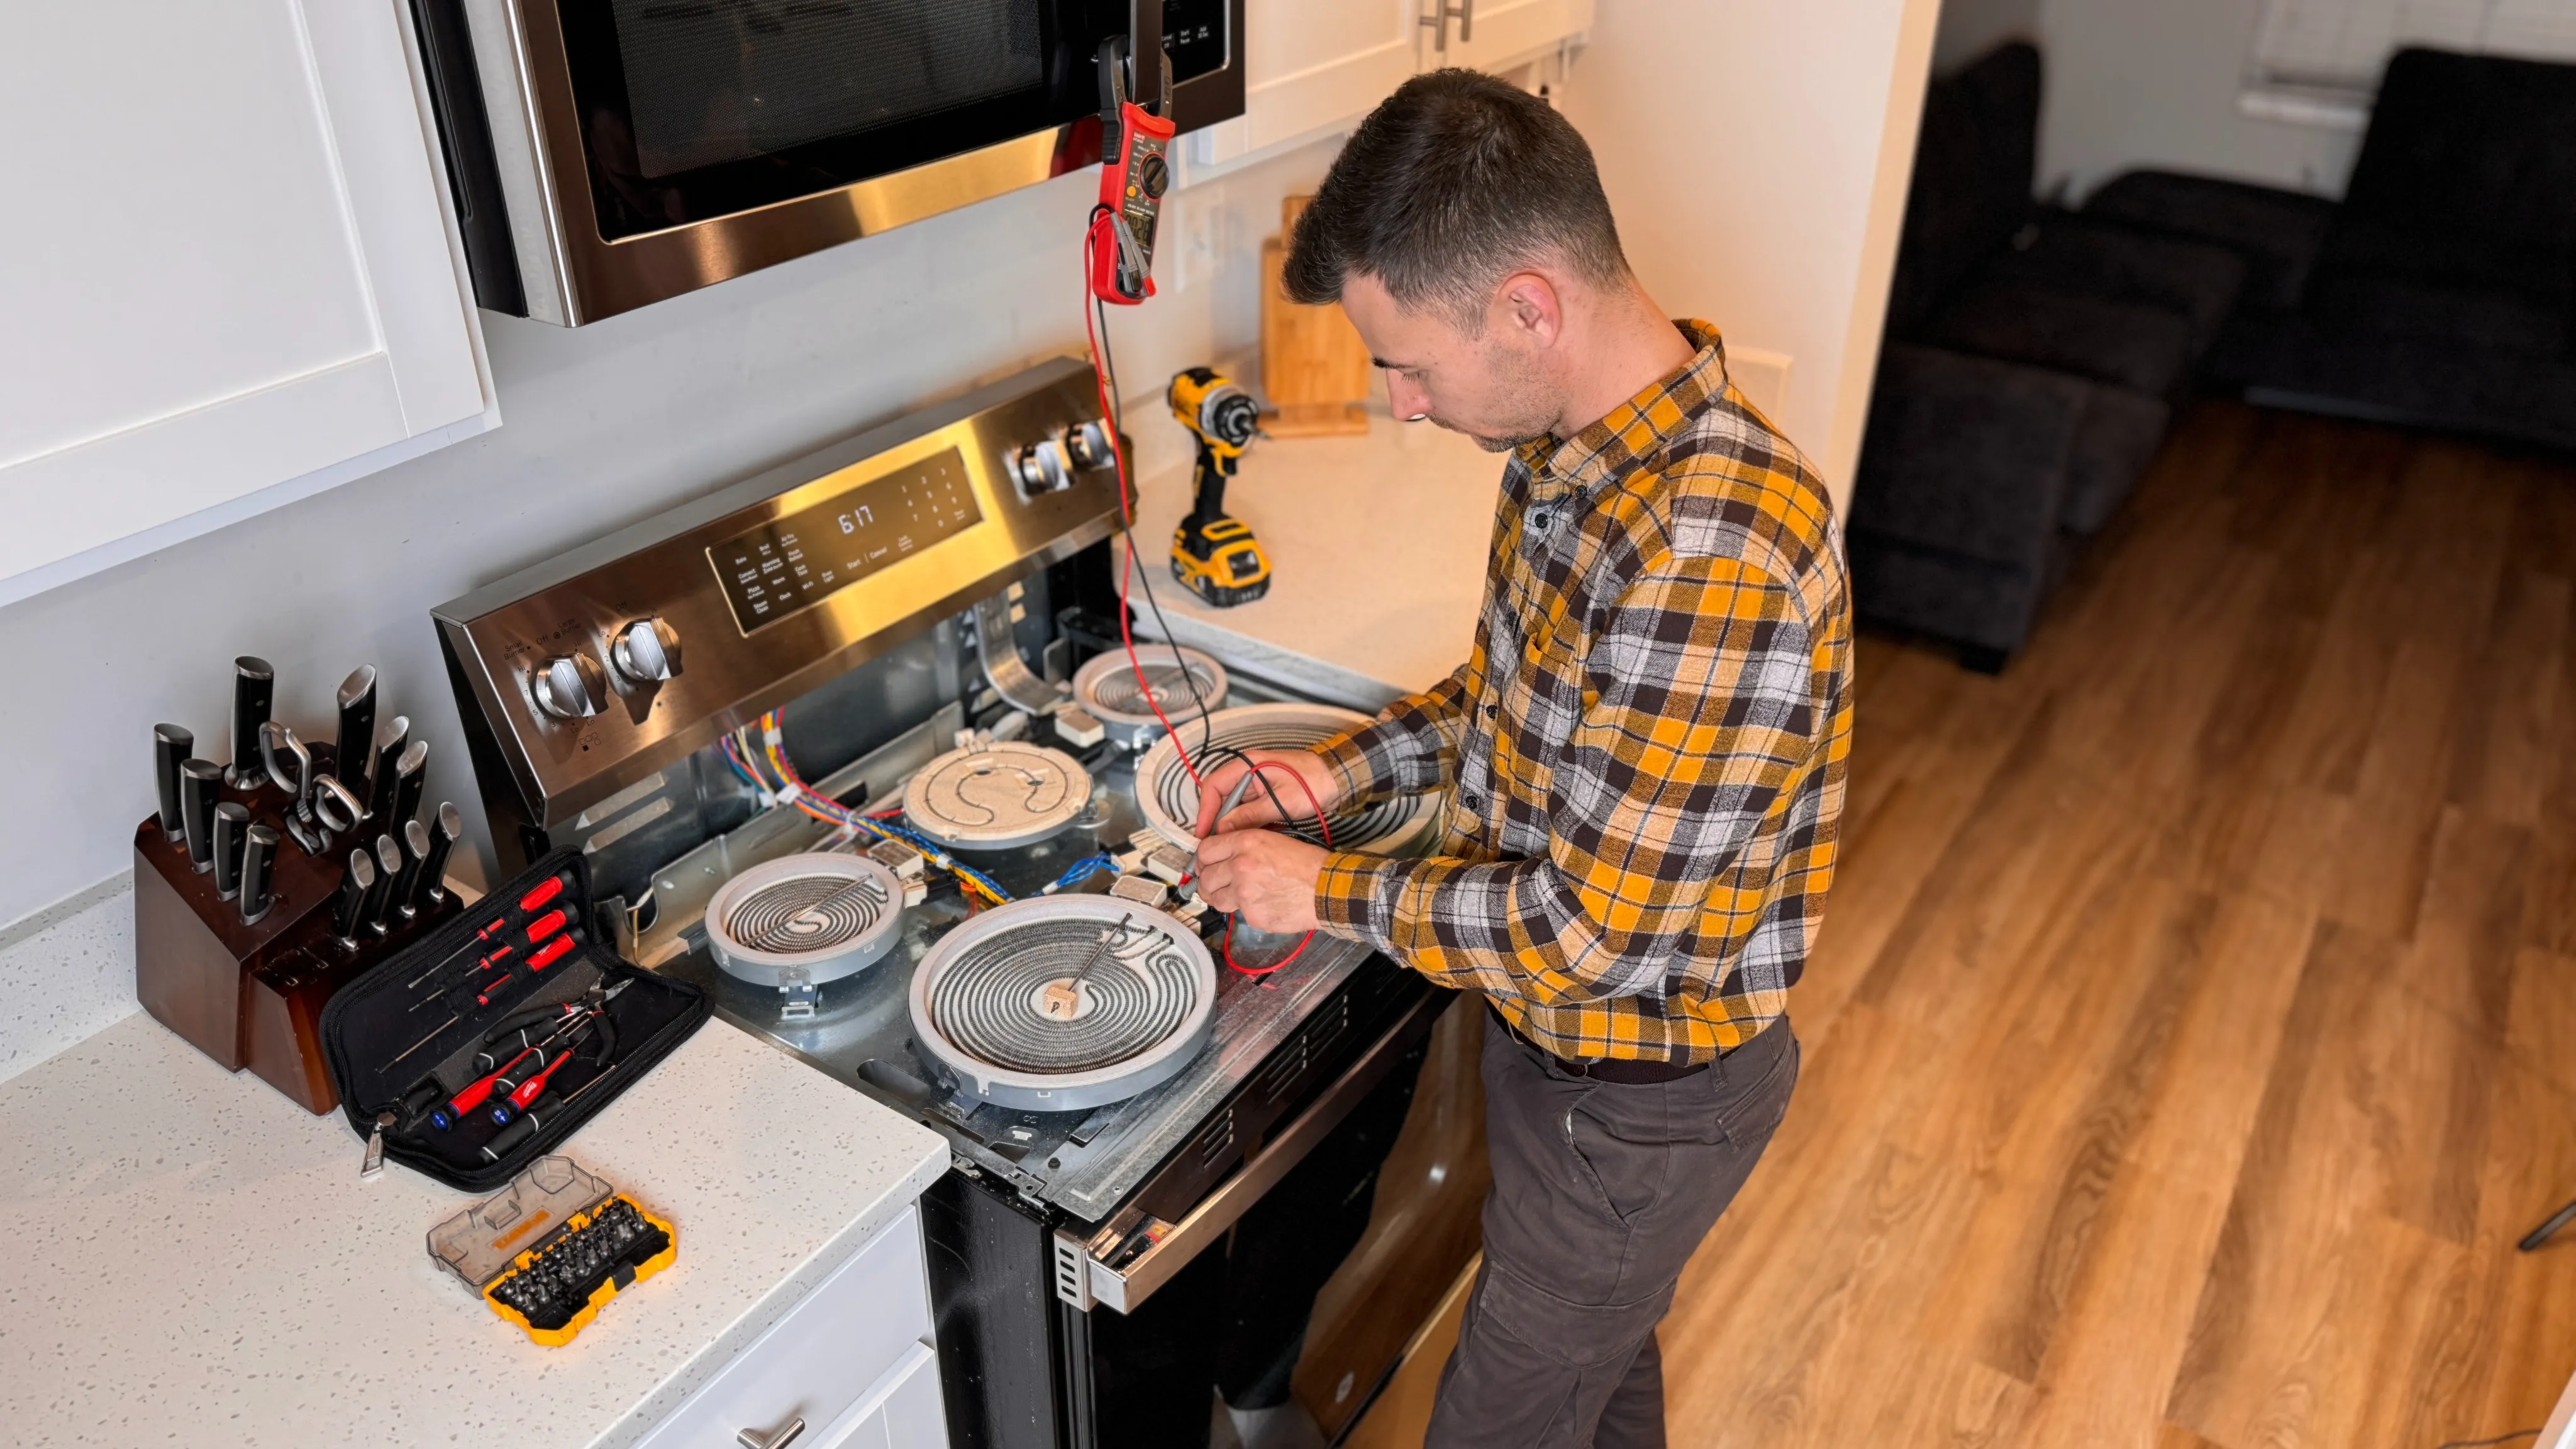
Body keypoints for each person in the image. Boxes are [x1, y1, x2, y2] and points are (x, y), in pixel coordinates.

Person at [1189, 69, 1854, 1449]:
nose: (1403, 404)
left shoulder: (1706, 552)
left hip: (1637, 1105)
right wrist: (1335, 777)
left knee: (1500, 1418)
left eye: (1409, 362)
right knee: (1593, 1368)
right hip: (1564, 1072)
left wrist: (1315, 889)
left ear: (1527, 307)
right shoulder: (1570, 461)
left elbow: (1586, 934)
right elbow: (1503, 704)